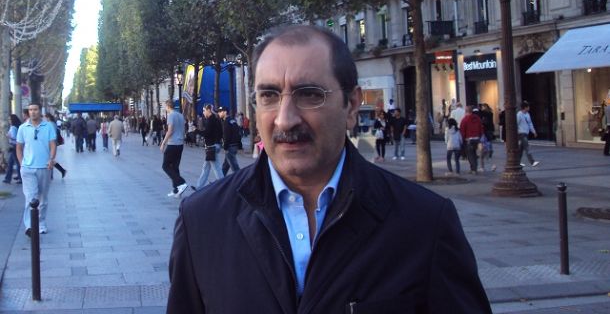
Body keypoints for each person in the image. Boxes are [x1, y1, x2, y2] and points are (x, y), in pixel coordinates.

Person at [167, 24, 491, 313]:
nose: (285, 119)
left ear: (351, 105)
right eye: (269, 95)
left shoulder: (425, 224)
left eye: (309, 94)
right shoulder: (201, 221)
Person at [16, 102, 57, 236]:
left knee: (43, 198)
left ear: (40, 111)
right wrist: (22, 164)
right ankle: (30, 226)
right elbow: (19, 147)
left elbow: (53, 145)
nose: (32, 112)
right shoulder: (22, 128)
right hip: (27, 168)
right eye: (30, 110)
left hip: (44, 167)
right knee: (31, 197)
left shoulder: (48, 126)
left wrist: (51, 159)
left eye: (35, 109)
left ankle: (41, 224)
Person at [160, 100, 189, 197]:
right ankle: (177, 190)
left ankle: (182, 183)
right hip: (180, 144)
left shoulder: (171, 115)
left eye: (165, 106)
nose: (165, 108)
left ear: (168, 106)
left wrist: (163, 143)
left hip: (172, 144)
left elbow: (170, 130)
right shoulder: (180, 115)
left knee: (165, 166)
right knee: (175, 167)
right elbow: (184, 129)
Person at [196, 104, 223, 188]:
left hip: (211, 147)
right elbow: (221, 132)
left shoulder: (210, 120)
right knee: (206, 168)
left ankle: (223, 186)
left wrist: (197, 131)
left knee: (216, 168)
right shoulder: (216, 119)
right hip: (214, 145)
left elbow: (207, 133)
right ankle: (199, 187)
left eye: (204, 110)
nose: (203, 112)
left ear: (209, 110)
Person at [218, 106, 242, 176]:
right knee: (225, 166)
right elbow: (238, 133)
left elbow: (226, 136)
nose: (219, 113)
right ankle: (220, 179)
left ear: (225, 112)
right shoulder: (233, 121)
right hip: (234, 146)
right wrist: (239, 145)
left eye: (220, 112)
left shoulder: (226, 122)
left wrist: (225, 146)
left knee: (235, 167)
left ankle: (242, 180)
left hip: (230, 146)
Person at [460, 105, 484, 174]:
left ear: (466, 111)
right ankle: (474, 168)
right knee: (475, 154)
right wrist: (479, 136)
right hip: (477, 138)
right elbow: (481, 128)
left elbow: (462, 130)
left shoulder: (465, 119)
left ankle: (473, 169)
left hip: (469, 139)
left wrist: (463, 139)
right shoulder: (477, 118)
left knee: (470, 155)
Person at [517, 101, 540, 167]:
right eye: (528, 107)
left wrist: (534, 131)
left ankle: (517, 162)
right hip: (521, 133)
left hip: (526, 133)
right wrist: (517, 132)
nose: (529, 108)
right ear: (525, 107)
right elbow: (516, 124)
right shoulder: (519, 114)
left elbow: (530, 124)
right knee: (527, 147)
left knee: (521, 149)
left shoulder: (527, 114)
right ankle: (532, 162)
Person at [45, 113, 67, 179]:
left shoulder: (50, 124)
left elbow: (51, 135)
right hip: (52, 143)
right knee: (50, 159)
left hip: (50, 144)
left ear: (48, 117)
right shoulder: (53, 123)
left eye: (45, 117)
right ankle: (61, 171)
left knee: (49, 159)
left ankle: (53, 174)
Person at [3, 114, 22, 184]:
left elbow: (14, 137)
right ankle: (8, 178)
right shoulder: (16, 126)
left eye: (10, 119)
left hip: (14, 146)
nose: (9, 121)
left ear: (13, 120)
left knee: (17, 163)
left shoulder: (13, 127)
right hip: (15, 146)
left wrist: (8, 135)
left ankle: (20, 178)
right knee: (11, 163)